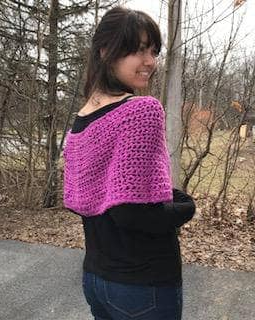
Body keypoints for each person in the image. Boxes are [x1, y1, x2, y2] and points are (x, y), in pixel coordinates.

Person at [63, 6, 195, 320]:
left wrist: (169, 196)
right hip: (142, 284)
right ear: (106, 51)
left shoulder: (81, 120)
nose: (150, 61)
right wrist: (187, 207)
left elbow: (108, 195)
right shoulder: (140, 110)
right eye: (137, 50)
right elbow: (131, 211)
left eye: (153, 50)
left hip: (96, 279)